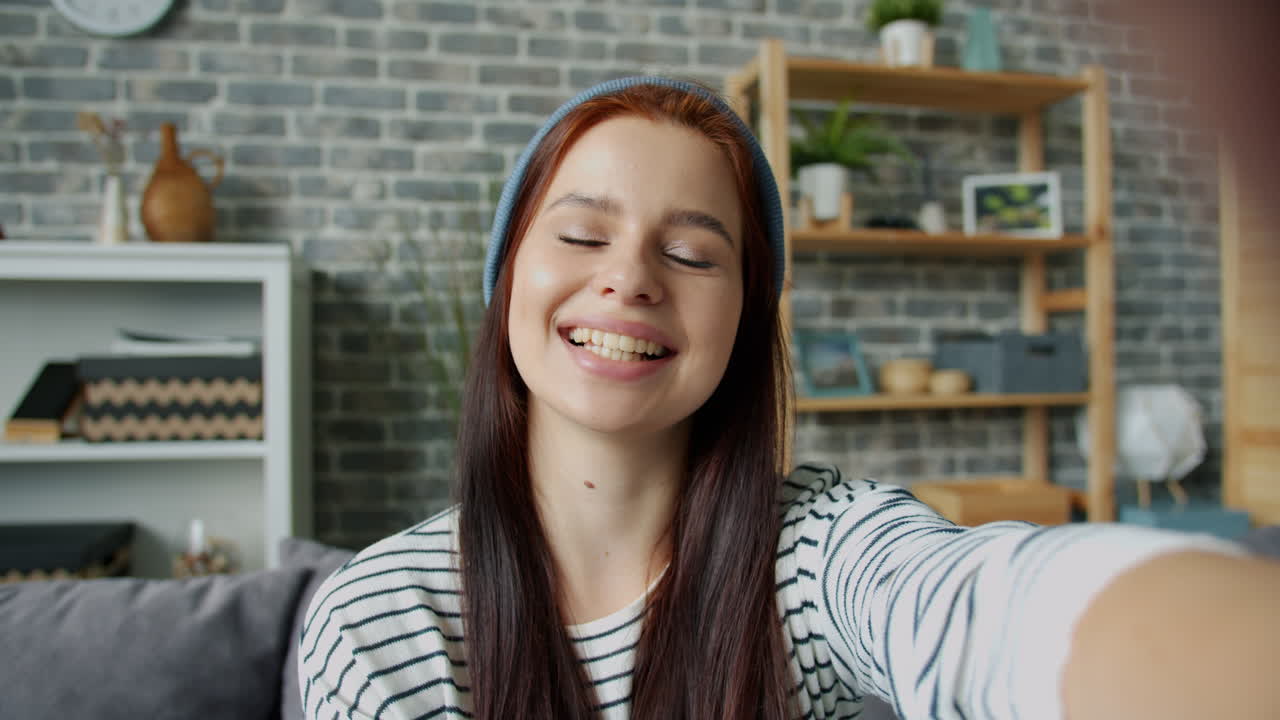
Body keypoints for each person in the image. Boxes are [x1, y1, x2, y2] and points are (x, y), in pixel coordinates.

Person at [299, 77, 1280, 719]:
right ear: (507, 276)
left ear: (743, 320)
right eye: (582, 236)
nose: (630, 278)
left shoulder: (817, 563)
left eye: (690, 253)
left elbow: (989, 611)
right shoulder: (380, 624)